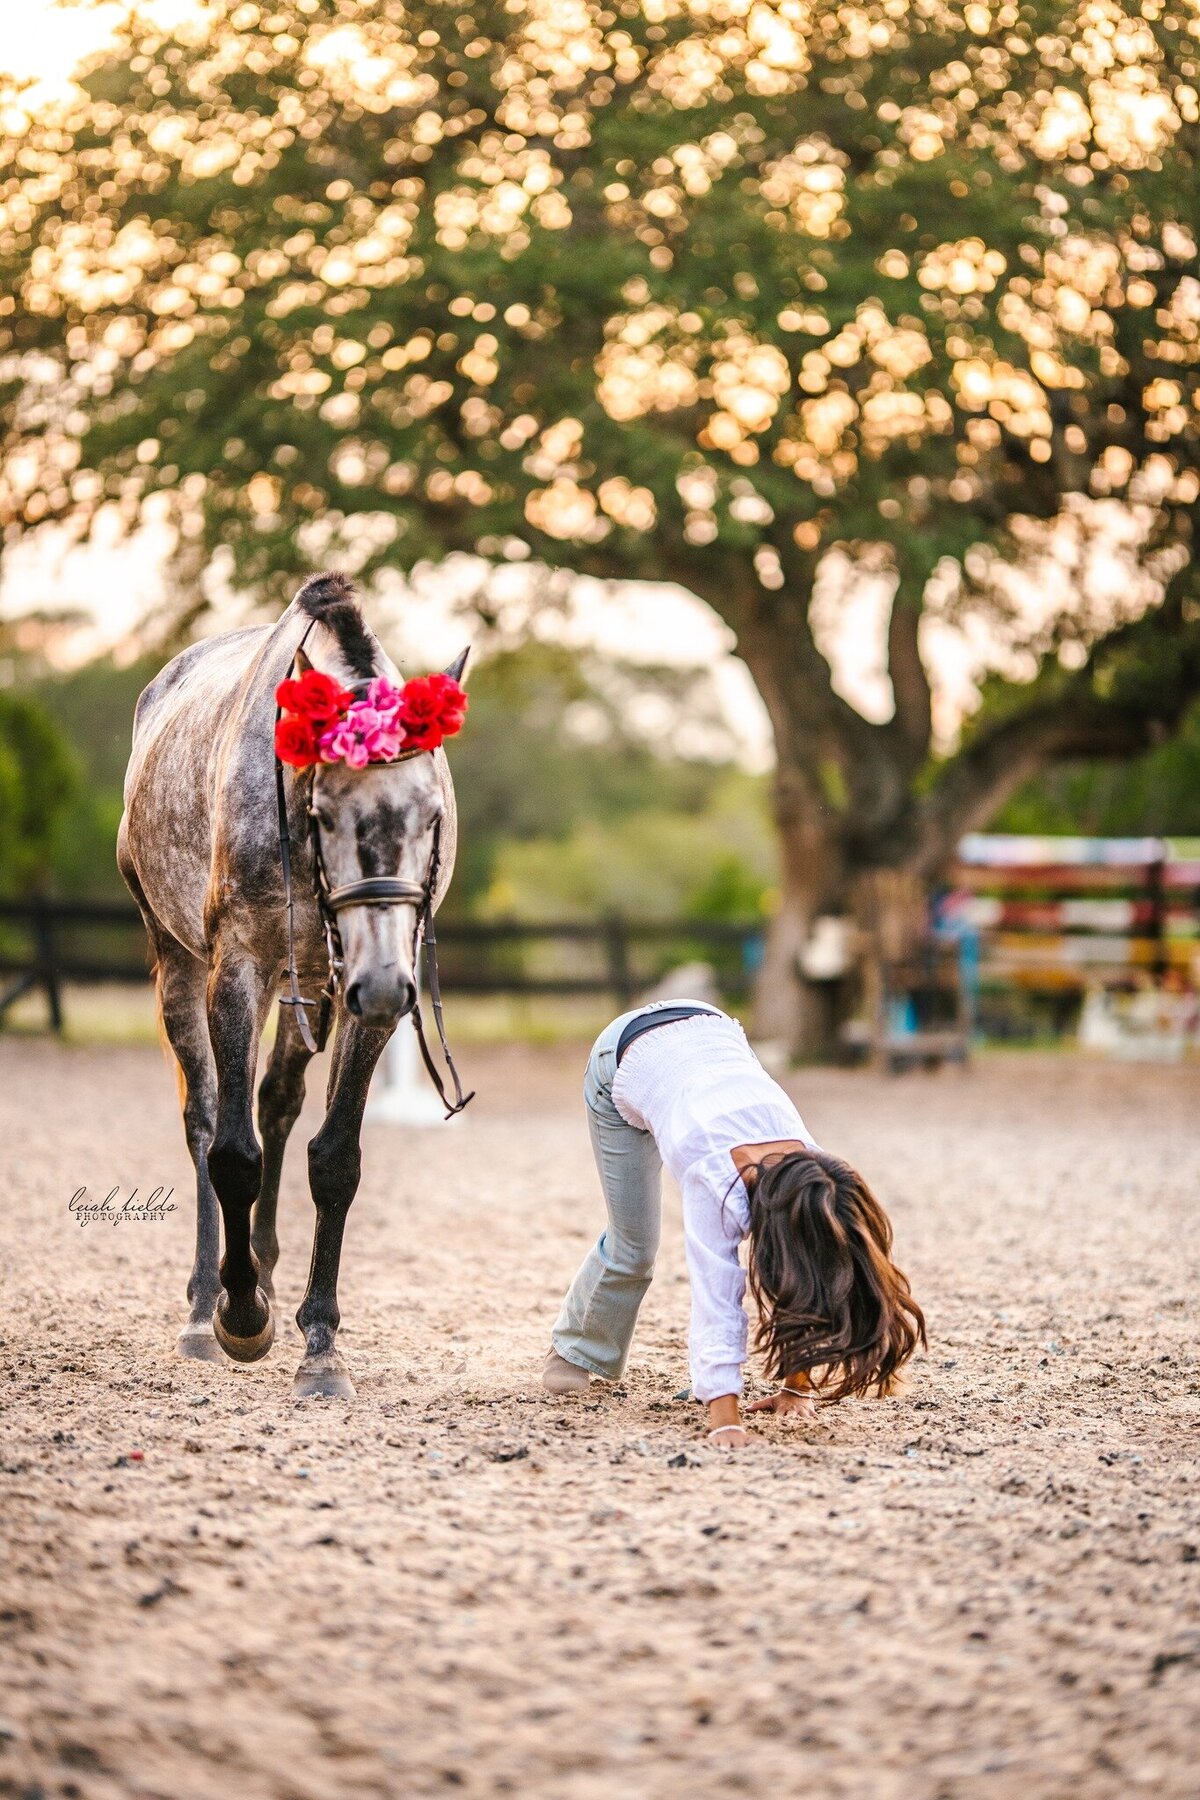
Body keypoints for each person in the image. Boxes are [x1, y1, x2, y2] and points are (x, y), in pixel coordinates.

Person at [542, 1001, 926, 1449]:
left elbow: (807, 1276)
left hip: (710, 1034)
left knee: (805, 1253)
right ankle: (575, 1348)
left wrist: (797, 1387)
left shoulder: (816, 1171)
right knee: (636, 1247)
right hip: (625, 1057)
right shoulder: (716, 1180)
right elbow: (715, 1298)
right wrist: (725, 1420)